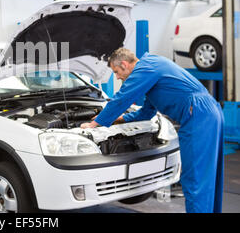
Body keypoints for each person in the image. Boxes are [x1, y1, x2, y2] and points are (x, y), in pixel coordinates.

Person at [81, 48, 224, 213]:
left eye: (117, 72)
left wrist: (96, 123)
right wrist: (118, 119)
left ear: (125, 64)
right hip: (209, 112)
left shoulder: (145, 69)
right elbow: (146, 112)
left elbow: (122, 97)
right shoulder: (152, 68)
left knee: (195, 179)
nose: (118, 77)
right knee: (209, 176)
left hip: (198, 115)